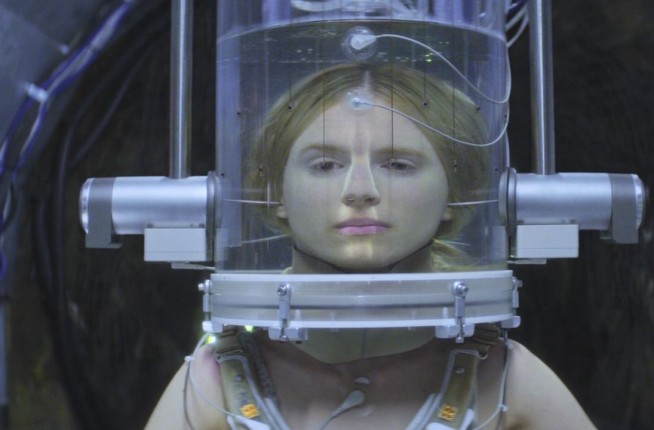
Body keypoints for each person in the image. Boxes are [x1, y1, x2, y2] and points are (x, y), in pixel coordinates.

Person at [146, 63, 596, 429]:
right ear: (274, 193)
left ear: (455, 193)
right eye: (325, 164)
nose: (360, 190)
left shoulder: (503, 379)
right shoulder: (215, 381)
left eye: (397, 164)